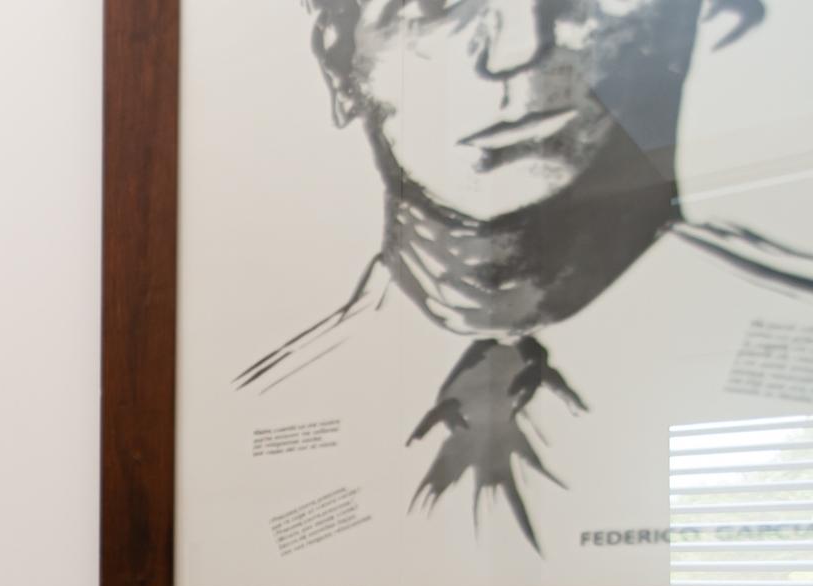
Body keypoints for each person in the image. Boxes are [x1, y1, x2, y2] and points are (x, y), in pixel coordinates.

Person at [237, 0, 810, 555]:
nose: (515, 49)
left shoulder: (795, 351)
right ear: (341, 66)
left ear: (684, 26)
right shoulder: (252, 425)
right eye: (435, 6)